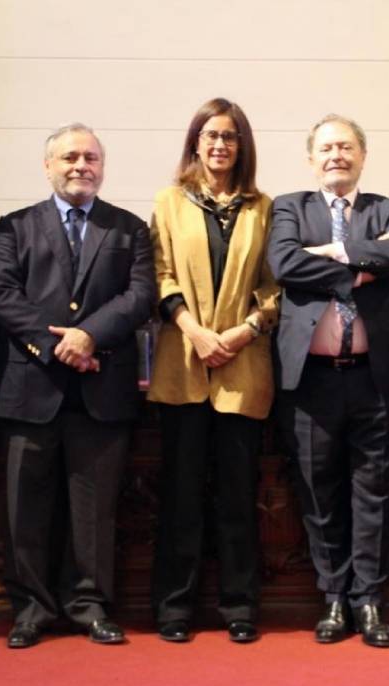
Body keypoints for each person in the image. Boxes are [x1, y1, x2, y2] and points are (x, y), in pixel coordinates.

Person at [0, 123, 155, 648]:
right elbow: (1, 293)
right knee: (26, 509)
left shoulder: (129, 228)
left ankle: (89, 605)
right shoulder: (15, 226)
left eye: (91, 158)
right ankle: (31, 609)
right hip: (31, 389)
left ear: (102, 167)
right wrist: (56, 343)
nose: (81, 166)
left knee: (94, 510)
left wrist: (88, 336)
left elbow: (140, 294)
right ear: (48, 165)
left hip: (102, 392)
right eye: (69, 157)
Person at [268, 114, 389, 648]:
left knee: (374, 493)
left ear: (362, 156)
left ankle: (371, 602)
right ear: (311, 158)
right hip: (311, 381)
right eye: (327, 147)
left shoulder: (385, 209)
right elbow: (284, 263)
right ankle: (333, 598)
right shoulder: (290, 207)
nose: (337, 155)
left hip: (374, 380)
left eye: (347, 147)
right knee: (318, 492)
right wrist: (359, 264)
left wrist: (332, 252)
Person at [147, 98, 279, 644]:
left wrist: (244, 330)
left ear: (242, 145)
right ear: (195, 142)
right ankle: (174, 608)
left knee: (236, 496)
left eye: (230, 136)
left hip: (242, 367)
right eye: (210, 135)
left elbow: (275, 286)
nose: (220, 144)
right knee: (180, 495)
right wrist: (196, 331)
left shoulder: (263, 207)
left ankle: (239, 605)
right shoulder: (169, 202)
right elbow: (159, 274)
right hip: (184, 364)